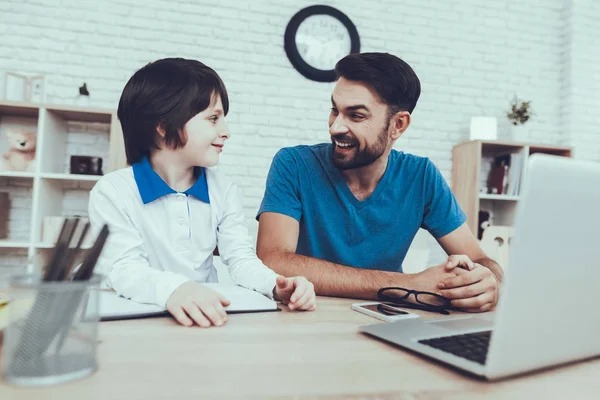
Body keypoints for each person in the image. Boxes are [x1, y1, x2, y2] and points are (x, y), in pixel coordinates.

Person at [256, 52, 502, 313]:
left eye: (356, 116)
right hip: (308, 316)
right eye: (334, 110)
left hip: (384, 321)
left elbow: (480, 259)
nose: (335, 127)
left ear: (398, 125)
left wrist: (490, 281)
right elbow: (273, 260)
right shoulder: (293, 164)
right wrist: (407, 285)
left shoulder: (421, 176)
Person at [89, 58, 316, 328]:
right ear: (163, 126)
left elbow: (241, 260)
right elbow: (123, 269)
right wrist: (176, 289)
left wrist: (277, 285)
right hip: (138, 322)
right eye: (213, 119)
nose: (226, 132)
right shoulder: (112, 191)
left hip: (208, 320)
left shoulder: (224, 189)